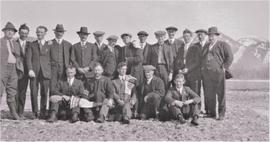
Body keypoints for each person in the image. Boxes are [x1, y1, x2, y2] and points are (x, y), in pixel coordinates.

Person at [201, 27, 233, 120]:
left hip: (218, 73)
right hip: (207, 74)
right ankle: (211, 113)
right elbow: (202, 58)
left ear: (217, 36)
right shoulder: (206, 46)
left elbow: (230, 57)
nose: (211, 37)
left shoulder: (223, 45)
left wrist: (224, 67)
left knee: (221, 94)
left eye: (213, 35)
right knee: (209, 94)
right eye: (209, 35)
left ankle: (221, 114)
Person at [26, 26, 51, 119]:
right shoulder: (32, 45)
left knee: (44, 93)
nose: (39, 34)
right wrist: (30, 69)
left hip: (45, 73)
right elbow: (28, 58)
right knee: (33, 92)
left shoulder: (49, 45)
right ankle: (35, 112)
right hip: (34, 73)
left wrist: (49, 71)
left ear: (45, 33)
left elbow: (51, 59)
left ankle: (43, 112)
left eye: (41, 32)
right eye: (38, 32)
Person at [1, 22, 24, 120]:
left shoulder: (16, 44)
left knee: (12, 91)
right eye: (8, 30)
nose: (10, 32)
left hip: (14, 69)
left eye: (12, 31)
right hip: (2, 69)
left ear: (14, 33)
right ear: (4, 31)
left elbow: (20, 57)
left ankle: (14, 113)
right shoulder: (0, 42)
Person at [174, 29, 201, 100]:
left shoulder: (195, 47)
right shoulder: (180, 48)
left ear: (191, 37)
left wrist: (188, 69)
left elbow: (197, 62)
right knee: (184, 93)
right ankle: (186, 110)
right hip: (183, 75)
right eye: (184, 36)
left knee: (195, 93)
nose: (186, 38)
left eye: (188, 36)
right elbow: (177, 61)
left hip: (193, 74)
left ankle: (196, 110)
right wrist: (179, 69)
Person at [49, 24, 72, 95]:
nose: (59, 33)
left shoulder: (68, 44)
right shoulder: (49, 43)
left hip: (64, 70)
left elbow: (71, 58)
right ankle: (52, 106)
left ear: (63, 33)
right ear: (54, 32)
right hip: (53, 70)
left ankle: (62, 106)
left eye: (61, 32)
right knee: (52, 88)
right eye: (58, 31)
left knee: (63, 88)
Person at [16, 24, 31, 118]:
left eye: (26, 33)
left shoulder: (30, 44)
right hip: (15, 71)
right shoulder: (14, 43)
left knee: (22, 92)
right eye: (22, 33)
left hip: (26, 72)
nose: (24, 35)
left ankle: (20, 112)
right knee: (15, 92)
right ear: (19, 32)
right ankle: (14, 112)